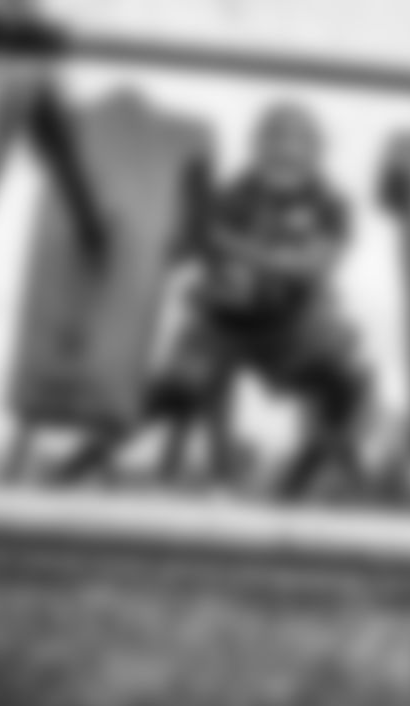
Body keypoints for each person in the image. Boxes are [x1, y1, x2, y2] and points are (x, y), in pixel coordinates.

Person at [161, 101, 370, 498]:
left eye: (299, 141)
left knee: (347, 378)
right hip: (225, 320)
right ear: (257, 145)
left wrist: (233, 247)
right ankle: (208, 475)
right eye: (275, 138)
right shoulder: (230, 194)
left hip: (294, 323)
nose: (285, 150)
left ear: (317, 152)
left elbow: (312, 266)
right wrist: (189, 228)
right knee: (184, 379)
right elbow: (187, 249)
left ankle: (302, 481)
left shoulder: (331, 204)